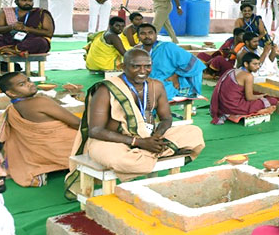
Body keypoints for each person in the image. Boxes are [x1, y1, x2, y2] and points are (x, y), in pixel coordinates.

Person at [65, 49, 204, 196]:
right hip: (113, 141)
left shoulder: (156, 86)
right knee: (117, 159)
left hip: (148, 136)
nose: (142, 71)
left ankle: (147, 155)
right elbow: (95, 130)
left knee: (194, 132)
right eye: (136, 66)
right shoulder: (106, 89)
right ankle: (158, 152)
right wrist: (138, 142)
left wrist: (156, 136)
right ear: (123, 67)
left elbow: (166, 118)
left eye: (147, 66)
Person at [0, 71, 79, 187]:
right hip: (62, 147)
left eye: (28, 80)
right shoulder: (40, 101)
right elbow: (76, 123)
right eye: (22, 84)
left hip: (42, 149)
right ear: (11, 93)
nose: (30, 84)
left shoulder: (14, 107)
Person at [135, 23, 205, 100]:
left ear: (156, 35)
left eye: (150, 33)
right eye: (143, 33)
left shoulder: (168, 47)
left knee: (153, 94)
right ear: (138, 36)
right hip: (146, 82)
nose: (147, 36)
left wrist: (175, 76)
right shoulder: (138, 51)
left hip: (167, 81)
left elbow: (194, 63)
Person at [210, 51, 278, 124]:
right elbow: (249, 97)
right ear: (246, 64)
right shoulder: (248, 76)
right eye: (254, 64)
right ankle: (260, 111)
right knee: (272, 100)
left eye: (259, 64)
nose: (258, 67)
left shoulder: (232, 70)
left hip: (222, 107)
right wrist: (260, 96)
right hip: (234, 107)